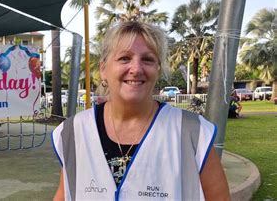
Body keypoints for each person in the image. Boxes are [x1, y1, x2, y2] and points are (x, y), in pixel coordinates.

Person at [51, 21, 230, 200]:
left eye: (147, 59)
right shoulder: (73, 131)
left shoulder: (192, 131)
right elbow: (64, 193)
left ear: (158, 69)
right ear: (103, 69)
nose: (136, 69)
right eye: (124, 58)